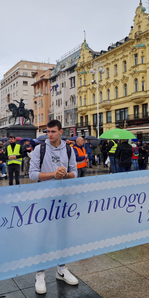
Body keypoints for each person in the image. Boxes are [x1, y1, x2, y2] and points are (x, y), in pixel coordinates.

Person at [28, 120, 78, 295]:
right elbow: (32, 174)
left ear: (60, 132)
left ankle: (61, 268)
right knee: (42, 233)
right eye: (47, 131)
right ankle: (40, 273)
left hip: (63, 198)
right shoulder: (39, 149)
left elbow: (75, 172)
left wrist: (65, 173)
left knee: (62, 233)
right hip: (44, 199)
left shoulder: (69, 149)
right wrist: (53, 174)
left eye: (53, 132)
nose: (50, 135)